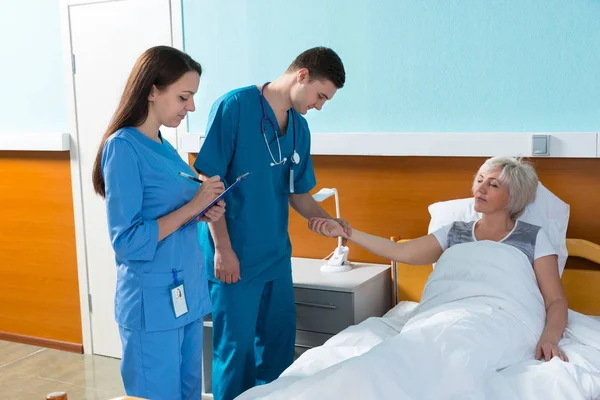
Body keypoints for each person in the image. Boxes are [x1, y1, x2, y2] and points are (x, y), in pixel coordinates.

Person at [193, 46, 350, 399]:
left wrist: (330, 223)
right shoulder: (234, 107)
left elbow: (299, 195)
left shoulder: (299, 128)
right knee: (236, 354)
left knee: (278, 350)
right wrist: (222, 249)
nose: (320, 105)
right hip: (234, 255)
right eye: (320, 95)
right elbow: (209, 182)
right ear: (302, 75)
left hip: (276, 258)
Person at [310, 156, 569, 363]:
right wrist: (347, 232)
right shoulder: (454, 231)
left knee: (457, 347)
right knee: (424, 345)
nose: (480, 188)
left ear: (513, 197)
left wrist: (549, 338)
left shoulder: (533, 237)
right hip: (443, 311)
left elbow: (556, 300)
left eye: (493, 185)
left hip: (500, 317)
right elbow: (402, 252)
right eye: (479, 180)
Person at [92, 45, 226, 400]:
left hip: (186, 297)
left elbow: (169, 213)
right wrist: (192, 205)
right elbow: (129, 241)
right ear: (152, 91)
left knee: (188, 393)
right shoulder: (123, 148)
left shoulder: (164, 146)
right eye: (184, 96)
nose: (191, 107)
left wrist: (202, 210)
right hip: (152, 306)